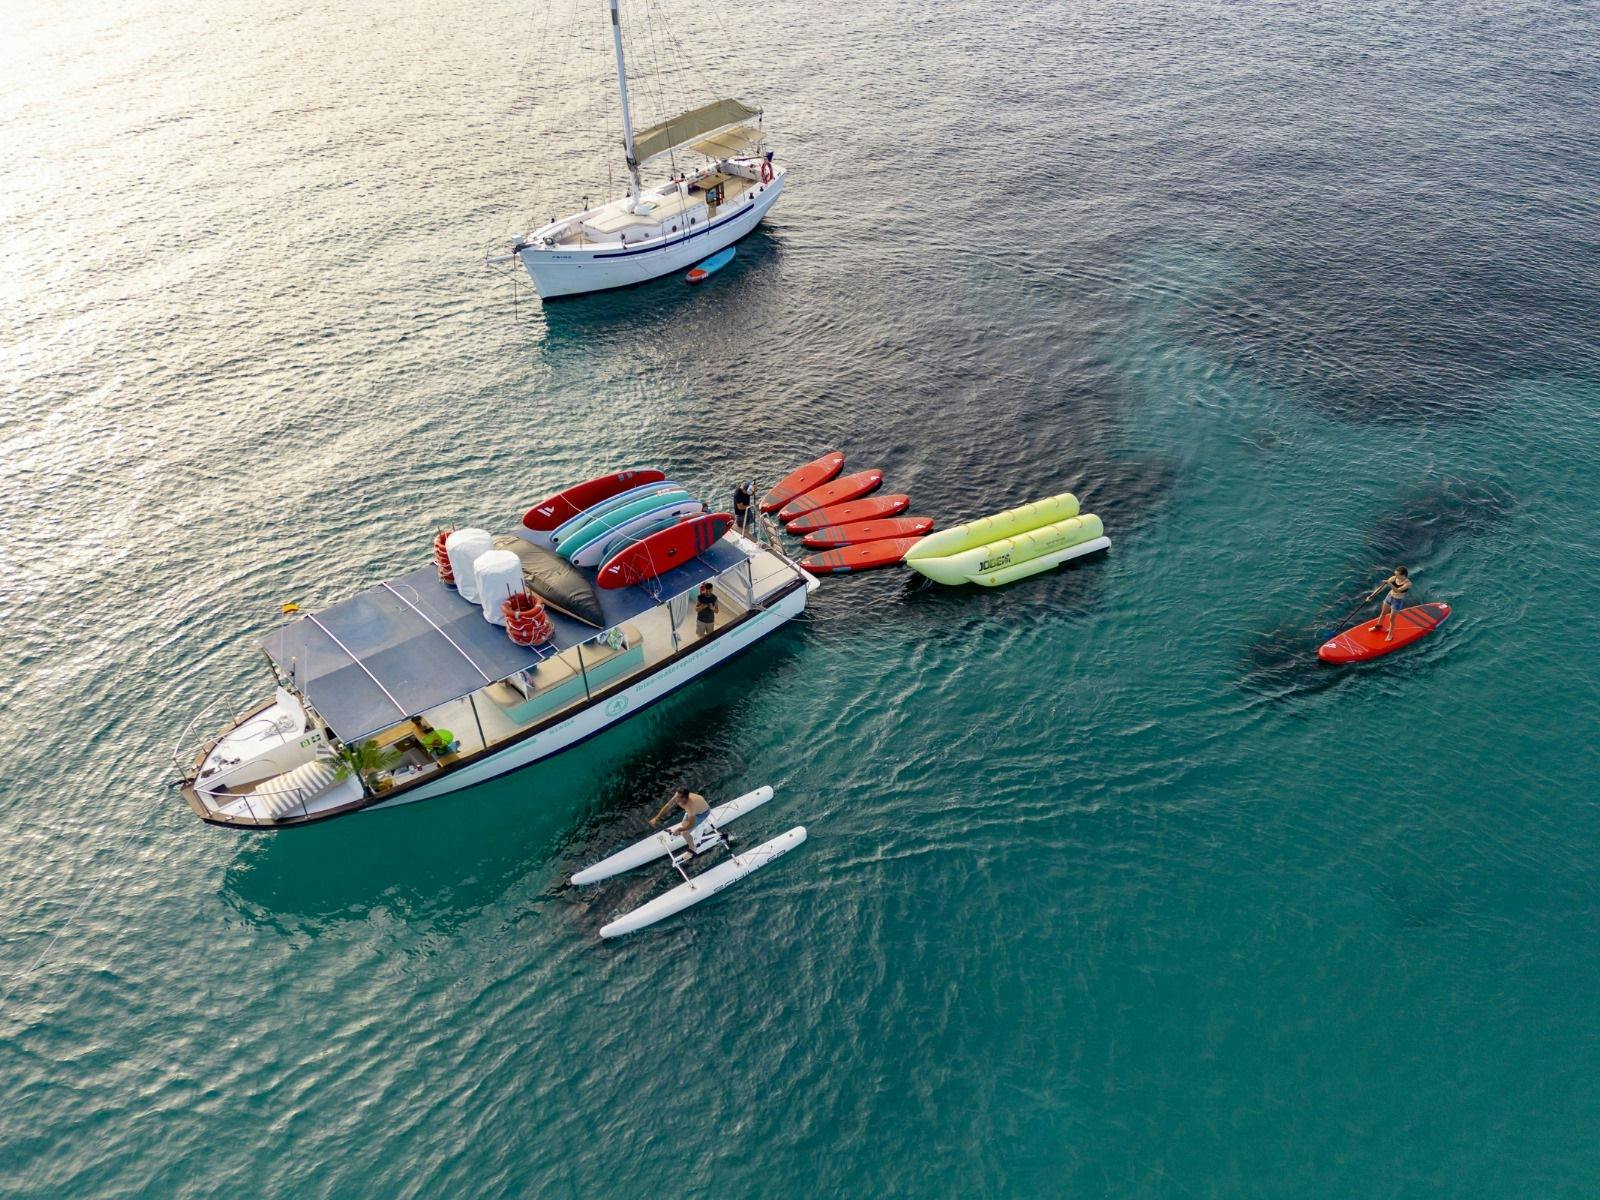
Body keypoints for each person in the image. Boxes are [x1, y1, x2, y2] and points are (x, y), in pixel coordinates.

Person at [650, 788, 711, 855]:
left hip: (702, 814)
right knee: (683, 824)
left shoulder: (691, 807)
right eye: (676, 796)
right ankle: (698, 826)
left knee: (684, 832)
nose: (675, 799)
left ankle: (692, 847)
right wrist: (656, 818)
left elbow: (691, 824)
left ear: (684, 798)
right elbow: (668, 806)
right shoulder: (678, 796)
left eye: (678, 797)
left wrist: (679, 829)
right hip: (694, 811)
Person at [1365, 565, 1412, 642]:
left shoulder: (1408, 583)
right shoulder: (1393, 578)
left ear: (1403, 575)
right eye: (1395, 574)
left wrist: (1389, 584)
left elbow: (1397, 590)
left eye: (1397, 575)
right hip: (1389, 597)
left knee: (1392, 619)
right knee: (1383, 613)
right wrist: (1371, 596)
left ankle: (1390, 634)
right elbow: (1380, 588)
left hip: (1397, 601)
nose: (1395, 576)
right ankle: (1378, 626)